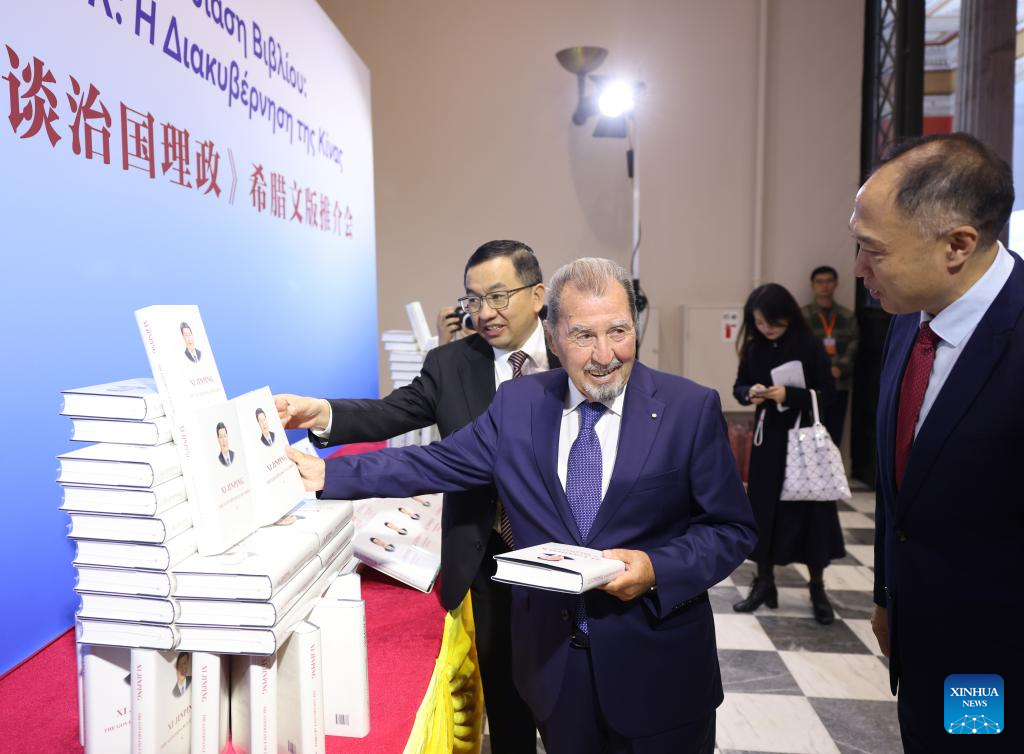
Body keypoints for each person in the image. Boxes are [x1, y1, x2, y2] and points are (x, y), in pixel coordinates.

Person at [286, 257, 756, 754]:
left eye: (618, 331)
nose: (605, 354)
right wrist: (327, 475)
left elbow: (730, 529)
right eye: (583, 336)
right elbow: (434, 463)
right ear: (552, 337)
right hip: (556, 673)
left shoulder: (688, 408)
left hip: (659, 673)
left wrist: (656, 568)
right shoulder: (519, 404)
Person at [275, 240, 554, 754]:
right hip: (487, 551)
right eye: (473, 299)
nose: (484, 313)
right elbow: (391, 413)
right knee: (505, 692)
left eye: (498, 297)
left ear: (537, 295)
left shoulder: (573, 353)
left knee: (570, 693)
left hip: (562, 549)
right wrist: (321, 413)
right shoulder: (451, 363)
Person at [851, 133, 1023, 753]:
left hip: (996, 663)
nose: (859, 268)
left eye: (875, 250)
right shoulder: (909, 319)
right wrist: (886, 597)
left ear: (958, 245)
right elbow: (902, 492)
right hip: (918, 644)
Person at [732, 283, 844, 624]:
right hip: (768, 443)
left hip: (802, 441)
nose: (766, 329)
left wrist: (790, 395)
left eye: (773, 323)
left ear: (788, 317)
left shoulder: (808, 344)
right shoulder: (754, 347)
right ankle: (764, 581)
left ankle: (817, 587)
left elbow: (827, 393)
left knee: (810, 512)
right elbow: (738, 386)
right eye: (760, 323)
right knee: (764, 512)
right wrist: (749, 392)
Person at [802, 265, 859, 444]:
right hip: (812, 385)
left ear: (836, 284)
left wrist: (839, 368)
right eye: (819, 282)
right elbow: (800, 348)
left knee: (834, 434)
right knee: (810, 434)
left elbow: (854, 345)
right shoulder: (802, 316)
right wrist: (821, 370)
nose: (824, 286)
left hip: (838, 383)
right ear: (812, 285)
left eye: (828, 281)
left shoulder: (847, 315)